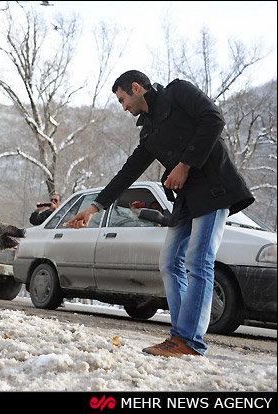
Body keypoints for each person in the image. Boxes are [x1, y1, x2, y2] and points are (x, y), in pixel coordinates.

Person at [66, 70, 254, 358]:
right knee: (169, 262)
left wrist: (185, 164)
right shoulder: (148, 131)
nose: (123, 107)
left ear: (137, 88)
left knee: (199, 261)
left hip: (216, 188)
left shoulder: (178, 92)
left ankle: (189, 342)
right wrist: (95, 207)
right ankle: (179, 336)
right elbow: (128, 171)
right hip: (188, 199)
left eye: (122, 99)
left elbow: (213, 118)